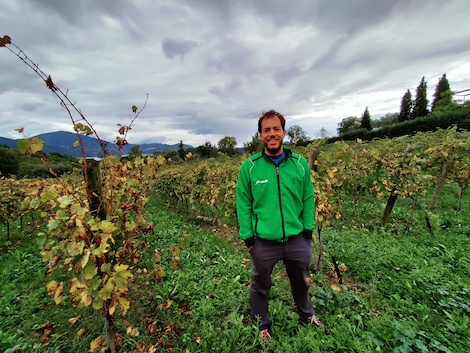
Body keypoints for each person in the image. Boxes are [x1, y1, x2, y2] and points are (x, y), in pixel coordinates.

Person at [235, 110, 322, 340]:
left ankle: (306, 315)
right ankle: (262, 326)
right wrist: (249, 238)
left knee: (301, 283)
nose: (272, 134)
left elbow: (308, 198)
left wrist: (308, 230)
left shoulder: (300, 164)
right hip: (264, 242)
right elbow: (243, 203)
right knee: (260, 285)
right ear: (260, 135)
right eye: (266, 130)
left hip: (296, 240)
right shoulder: (250, 167)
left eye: (276, 129)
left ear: (284, 132)